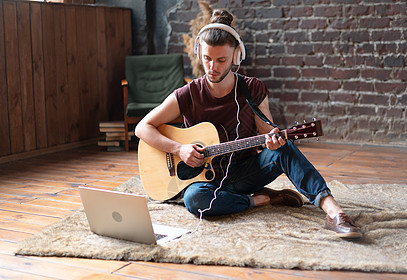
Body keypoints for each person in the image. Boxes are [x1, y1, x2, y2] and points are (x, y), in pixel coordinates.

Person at [135, 9, 362, 239]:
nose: (212, 67)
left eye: (221, 60)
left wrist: (273, 141)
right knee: (194, 200)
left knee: (284, 148)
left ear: (236, 57)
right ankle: (262, 199)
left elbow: (267, 131)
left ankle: (334, 213)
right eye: (207, 58)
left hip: (246, 171)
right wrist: (179, 149)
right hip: (207, 182)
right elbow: (142, 127)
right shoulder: (188, 94)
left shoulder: (252, 89)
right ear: (199, 54)